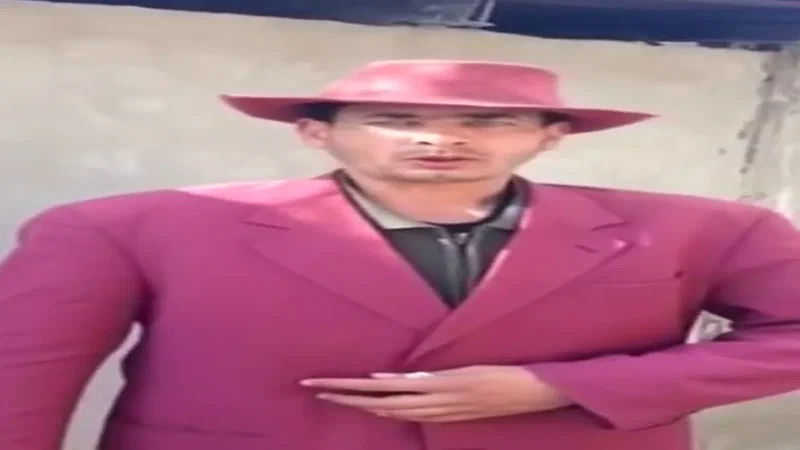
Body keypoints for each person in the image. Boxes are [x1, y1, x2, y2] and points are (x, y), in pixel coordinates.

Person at [1, 60, 799, 450]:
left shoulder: (704, 230)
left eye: (488, 121)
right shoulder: (127, 228)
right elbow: (19, 387)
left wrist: (559, 386)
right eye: (396, 119)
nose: (440, 139)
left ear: (551, 136)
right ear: (316, 132)